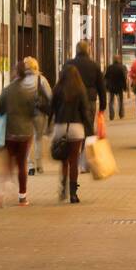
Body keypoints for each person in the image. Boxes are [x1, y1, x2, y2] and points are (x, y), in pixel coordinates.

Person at [0, 57, 50, 207]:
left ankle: (1, 193)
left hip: (9, 131)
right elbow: (34, 109)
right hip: (25, 131)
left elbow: (0, 111)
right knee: (22, 164)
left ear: (15, 73)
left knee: (7, 164)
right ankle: (22, 197)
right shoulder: (29, 90)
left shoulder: (6, 90)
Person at [50, 63, 95, 203]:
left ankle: (63, 189)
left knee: (64, 161)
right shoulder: (80, 89)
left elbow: (50, 109)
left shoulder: (57, 89)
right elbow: (85, 111)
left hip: (60, 127)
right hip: (76, 128)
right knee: (73, 161)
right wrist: (90, 130)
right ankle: (73, 194)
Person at [66, 41, 107, 116]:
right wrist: (102, 105)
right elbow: (101, 87)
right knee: (89, 124)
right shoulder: (94, 65)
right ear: (88, 50)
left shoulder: (69, 64)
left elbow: (63, 83)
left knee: (75, 124)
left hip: (73, 99)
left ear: (76, 50)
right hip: (90, 99)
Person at [105, 54, 128, 121]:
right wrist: (125, 87)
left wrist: (107, 86)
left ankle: (111, 115)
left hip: (111, 87)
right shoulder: (122, 67)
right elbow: (124, 78)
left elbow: (106, 77)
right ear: (119, 60)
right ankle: (121, 114)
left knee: (111, 102)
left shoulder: (109, 67)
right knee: (120, 101)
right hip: (119, 87)